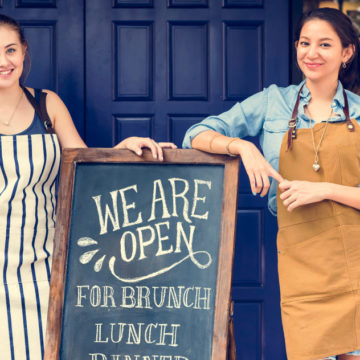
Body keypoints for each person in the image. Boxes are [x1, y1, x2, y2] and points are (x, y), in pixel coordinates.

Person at [183, 7, 360, 360]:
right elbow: (196, 135)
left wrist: (322, 189)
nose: (312, 53)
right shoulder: (273, 103)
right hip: (301, 263)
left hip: (354, 260)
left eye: (325, 44)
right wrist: (242, 146)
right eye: (305, 43)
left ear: (346, 53)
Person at [0, 14, 176, 360]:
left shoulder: (46, 105)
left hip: (42, 268)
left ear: (24, 53)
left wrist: (121, 150)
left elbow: (83, 166)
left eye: (10, 50)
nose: (3, 62)